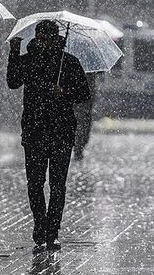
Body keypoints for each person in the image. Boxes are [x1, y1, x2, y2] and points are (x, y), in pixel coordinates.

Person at [7, 20, 91, 253]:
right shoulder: (29, 59)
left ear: (56, 39)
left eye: (46, 38)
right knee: (35, 183)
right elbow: (13, 82)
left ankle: (52, 230)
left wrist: (63, 92)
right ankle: (39, 223)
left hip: (61, 131)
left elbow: (84, 94)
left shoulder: (69, 63)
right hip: (34, 130)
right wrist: (14, 53)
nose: (41, 42)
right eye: (39, 37)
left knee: (57, 185)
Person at [73, 72, 97, 161]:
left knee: (83, 127)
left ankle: (78, 147)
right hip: (81, 105)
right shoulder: (89, 72)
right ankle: (78, 148)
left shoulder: (91, 74)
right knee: (82, 127)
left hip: (84, 106)